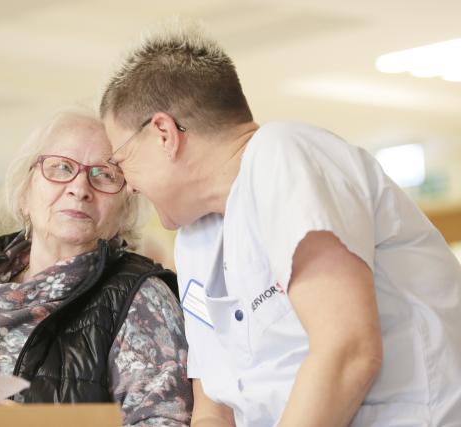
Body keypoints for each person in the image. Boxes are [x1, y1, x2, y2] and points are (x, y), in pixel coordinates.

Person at [99, 24, 461, 427]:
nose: (127, 183)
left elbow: (348, 352)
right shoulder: (195, 240)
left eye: (121, 159)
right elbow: (215, 406)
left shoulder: (283, 153)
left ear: (164, 133)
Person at [0, 110, 193, 426]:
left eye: (104, 174)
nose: (79, 188)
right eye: (61, 168)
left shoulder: (141, 298)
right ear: (25, 192)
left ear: (125, 208)